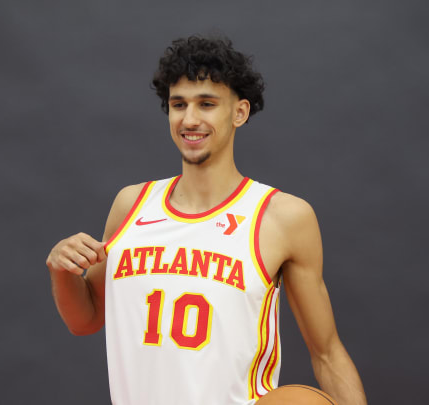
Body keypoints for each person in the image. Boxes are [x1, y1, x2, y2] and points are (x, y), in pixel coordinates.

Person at [46, 35, 367, 405]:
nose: (190, 119)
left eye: (207, 104)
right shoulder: (131, 204)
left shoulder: (281, 217)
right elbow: (84, 320)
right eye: (178, 104)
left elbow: (326, 353)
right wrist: (60, 270)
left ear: (239, 112)